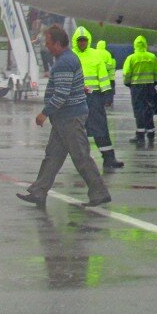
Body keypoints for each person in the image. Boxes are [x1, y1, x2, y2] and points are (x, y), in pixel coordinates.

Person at [17, 25, 111, 208]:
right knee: (52, 156)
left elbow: (61, 93)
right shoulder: (68, 59)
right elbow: (71, 86)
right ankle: (39, 192)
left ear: (58, 43)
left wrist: (44, 113)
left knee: (81, 156)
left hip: (70, 117)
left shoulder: (63, 63)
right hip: (64, 118)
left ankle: (99, 192)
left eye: (48, 42)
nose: (46, 46)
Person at [71, 27, 124, 171]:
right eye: (80, 41)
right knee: (76, 132)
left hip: (94, 98)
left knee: (100, 129)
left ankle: (109, 159)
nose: (82, 43)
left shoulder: (95, 55)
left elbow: (103, 77)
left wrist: (107, 95)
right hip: (77, 99)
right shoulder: (70, 56)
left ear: (88, 41)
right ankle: (81, 161)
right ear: (75, 41)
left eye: (84, 40)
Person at [123, 35, 157, 147]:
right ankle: (151, 133)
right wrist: (154, 82)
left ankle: (140, 135)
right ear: (145, 45)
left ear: (135, 45)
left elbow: (126, 73)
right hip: (149, 87)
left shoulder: (131, 58)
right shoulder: (152, 57)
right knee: (149, 108)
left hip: (136, 87)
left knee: (138, 111)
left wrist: (128, 83)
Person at [95, 40, 116, 106]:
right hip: (107, 76)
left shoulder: (94, 52)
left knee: (97, 89)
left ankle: (98, 101)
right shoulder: (107, 53)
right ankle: (107, 102)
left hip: (96, 75)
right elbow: (109, 65)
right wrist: (104, 70)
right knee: (107, 90)